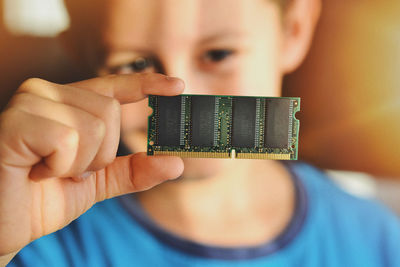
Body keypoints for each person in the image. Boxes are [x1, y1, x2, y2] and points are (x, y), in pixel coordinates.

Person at [1, 0, 400, 266]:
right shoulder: (39, 239)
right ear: (87, 56)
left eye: (218, 54)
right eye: (136, 62)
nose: (182, 94)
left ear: (293, 30)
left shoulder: (377, 240)